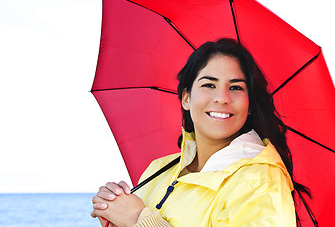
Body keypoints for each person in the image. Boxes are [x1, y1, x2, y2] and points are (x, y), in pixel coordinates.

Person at [91, 38, 308, 227]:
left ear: (249, 105)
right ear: (186, 98)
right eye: (209, 85)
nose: (222, 97)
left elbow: (138, 219)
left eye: (236, 87)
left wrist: (139, 218)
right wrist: (115, 216)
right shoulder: (158, 170)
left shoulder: (260, 181)